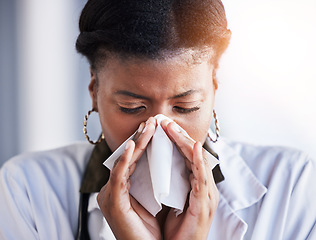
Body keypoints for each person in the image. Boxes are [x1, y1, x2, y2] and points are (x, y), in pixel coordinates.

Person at [0, 0, 315, 239]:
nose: (159, 132)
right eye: (132, 106)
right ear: (94, 90)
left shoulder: (293, 187)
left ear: (214, 87)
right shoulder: (29, 189)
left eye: (186, 106)